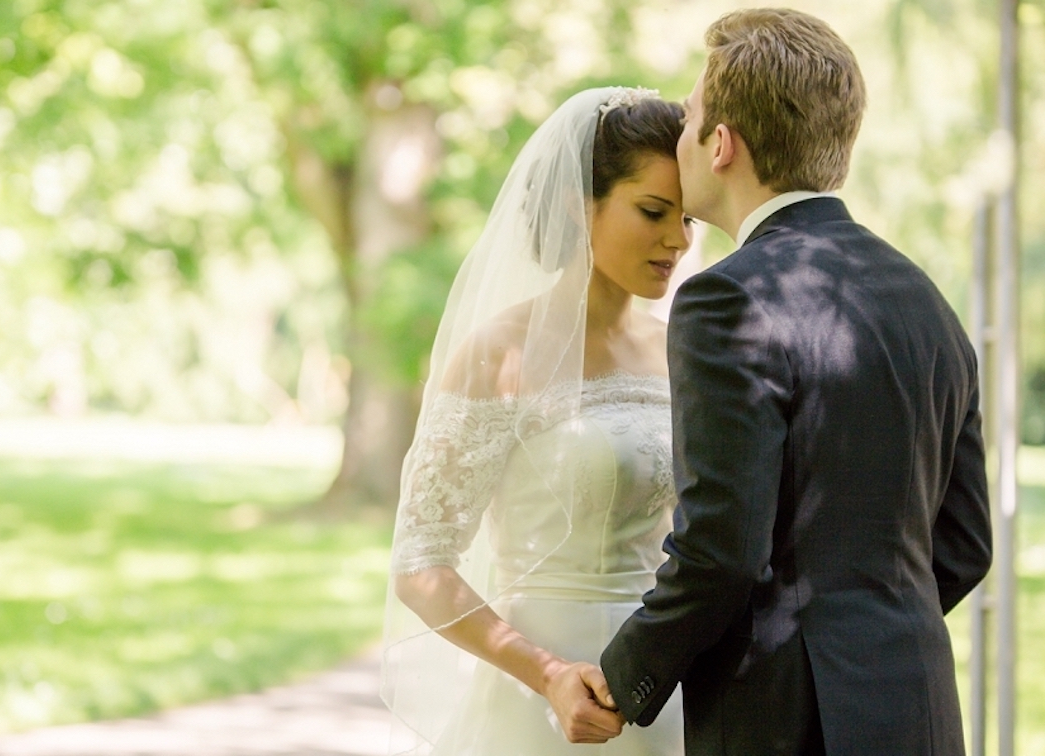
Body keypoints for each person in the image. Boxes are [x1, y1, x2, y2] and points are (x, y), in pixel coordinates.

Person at [573, 9, 991, 755]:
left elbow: (720, 550)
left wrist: (623, 677)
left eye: (692, 116)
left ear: (723, 144)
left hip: (787, 724)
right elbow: (964, 544)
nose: (682, 133)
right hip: (917, 710)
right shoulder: (926, 301)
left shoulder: (726, 299)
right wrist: (872, 638)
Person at [380, 86, 694, 755]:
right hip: (539, 703)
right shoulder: (499, 353)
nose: (679, 239)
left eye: (688, 216)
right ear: (582, 211)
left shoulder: (679, 348)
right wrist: (547, 675)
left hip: (662, 694)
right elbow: (420, 564)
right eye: (653, 211)